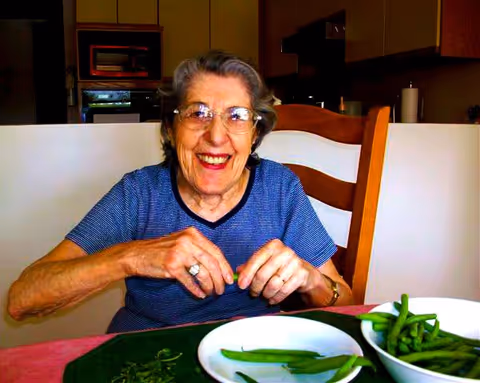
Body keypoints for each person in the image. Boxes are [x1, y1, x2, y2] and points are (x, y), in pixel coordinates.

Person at [7, 50, 353, 333]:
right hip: (149, 352)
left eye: (236, 116)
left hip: (251, 357)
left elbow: (348, 302)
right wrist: (131, 256)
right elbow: (22, 299)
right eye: (198, 113)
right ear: (171, 130)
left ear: (254, 134)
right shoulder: (139, 194)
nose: (216, 136)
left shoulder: (279, 189)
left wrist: (310, 280)